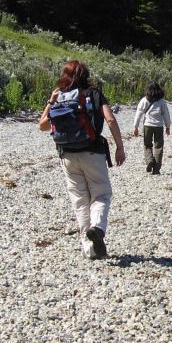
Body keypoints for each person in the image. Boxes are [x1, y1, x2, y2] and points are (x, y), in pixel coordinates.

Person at [39, 60, 126, 260]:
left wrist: (51, 101)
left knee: (80, 201)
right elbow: (110, 119)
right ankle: (98, 228)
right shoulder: (93, 93)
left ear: (65, 75)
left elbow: (42, 126)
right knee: (101, 194)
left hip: (67, 155)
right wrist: (120, 148)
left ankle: (90, 250)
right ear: (86, 75)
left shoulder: (58, 96)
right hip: (93, 152)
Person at [132, 81, 171, 175]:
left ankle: (149, 160)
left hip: (147, 126)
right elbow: (166, 115)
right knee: (158, 147)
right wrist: (168, 127)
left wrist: (135, 127)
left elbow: (138, 114)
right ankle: (156, 169)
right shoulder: (162, 102)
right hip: (159, 126)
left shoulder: (144, 100)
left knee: (147, 145)